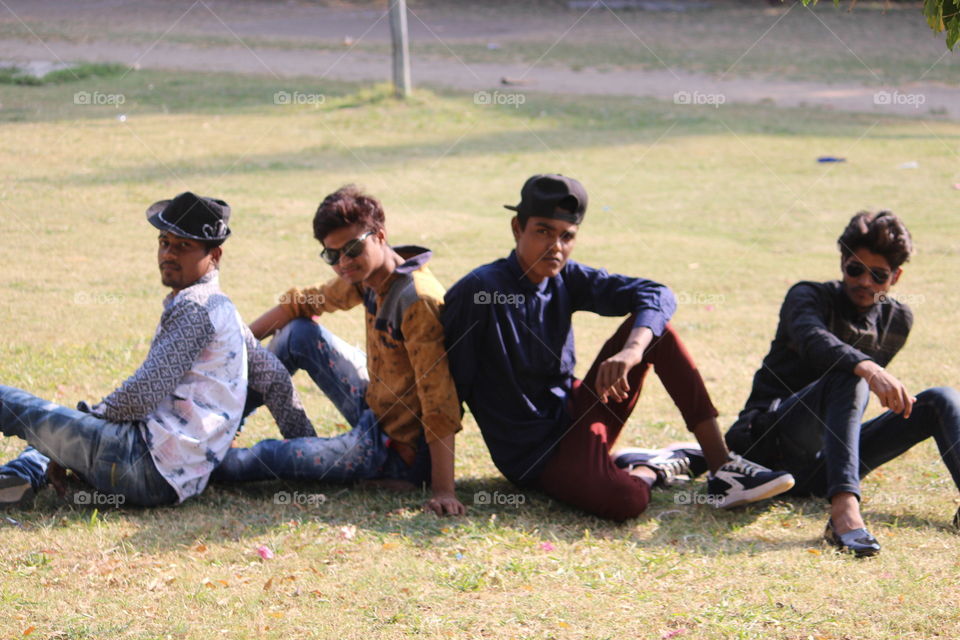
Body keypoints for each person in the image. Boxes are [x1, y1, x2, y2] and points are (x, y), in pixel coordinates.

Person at [441, 174, 794, 522]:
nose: (556, 247)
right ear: (518, 228)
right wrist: (443, 487)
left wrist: (631, 352)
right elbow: (446, 389)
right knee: (626, 500)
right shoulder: (479, 291)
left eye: (567, 236)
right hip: (536, 456)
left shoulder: (565, 276)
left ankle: (723, 469)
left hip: (578, 414)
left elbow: (658, 294)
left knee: (655, 330)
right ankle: (651, 468)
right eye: (543, 231)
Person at [211, 185, 466, 516]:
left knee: (265, 459)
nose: (344, 262)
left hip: (392, 449)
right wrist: (232, 347)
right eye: (332, 255)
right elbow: (301, 304)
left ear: (380, 236)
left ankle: (196, 459)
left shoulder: (416, 299)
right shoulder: (369, 276)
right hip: (375, 407)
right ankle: (219, 421)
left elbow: (439, 400)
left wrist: (443, 490)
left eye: (352, 249)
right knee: (298, 333)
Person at [725, 210, 960, 557]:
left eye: (878, 275)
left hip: (822, 468)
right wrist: (867, 368)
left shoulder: (897, 319)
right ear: (842, 263)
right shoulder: (807, 296)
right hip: (767, 453)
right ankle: (843, 515)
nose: (864, 282)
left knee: (940, 399)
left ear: (896, 276)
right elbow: (812, 340)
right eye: (855, 269)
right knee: (848, 375)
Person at [0, 192, 257, 508]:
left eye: (183, 246)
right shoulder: (223, 307)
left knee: (12, 404)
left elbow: (139, 398)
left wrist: (92, 415)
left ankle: (26, 470)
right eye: (164, 243)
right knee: (57, 427)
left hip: (143, 464)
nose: (168, 254)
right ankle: (17, 479)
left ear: (215, 255)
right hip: (174, 478)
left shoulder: (196, 307)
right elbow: (272, 374)